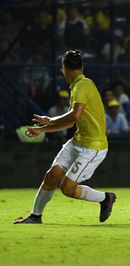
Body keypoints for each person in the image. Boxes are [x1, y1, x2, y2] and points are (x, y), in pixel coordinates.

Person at [14, 50, 116, 224]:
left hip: (93, 147)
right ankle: (35, 216)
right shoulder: (79, 85)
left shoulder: (82, 85)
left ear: (64, 69)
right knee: (52, 175)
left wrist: (50, 120)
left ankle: (106, 198)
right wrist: (43, 130)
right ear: (81, 67)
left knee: (67, 188)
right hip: (77, 141)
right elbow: (71, 122)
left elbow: (74, 115)